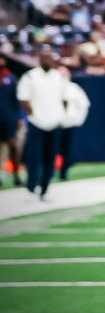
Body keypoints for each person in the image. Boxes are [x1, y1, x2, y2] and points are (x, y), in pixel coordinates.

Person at [15, 49, 67, 200]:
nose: (47, 61)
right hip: (36, 122)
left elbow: (64, 98)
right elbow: (23, 98)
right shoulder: (31, 76)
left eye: (50, 58)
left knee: (50, 157)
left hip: (54, 121)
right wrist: (33, 114)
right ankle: (31, 187)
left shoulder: (59, 77)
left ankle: (45, 188)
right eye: (44, 58)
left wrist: (59, 115)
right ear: (39, 59)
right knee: (33, 156)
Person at [58, 68, 91, 181]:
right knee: (49, 149)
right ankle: (47, 172)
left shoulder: (73, 88)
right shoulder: (50, 88)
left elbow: (84, 104)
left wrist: (78, 119)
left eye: (64, 74)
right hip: (51, 123)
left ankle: (64, 172)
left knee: (66, 149)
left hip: (68, 123)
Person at [0, 67, 21, 187]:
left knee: (13, 146)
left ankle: (16, 176)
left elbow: (16, 99)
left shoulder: (10, 78)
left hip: (9, 119)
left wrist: (18, 117)